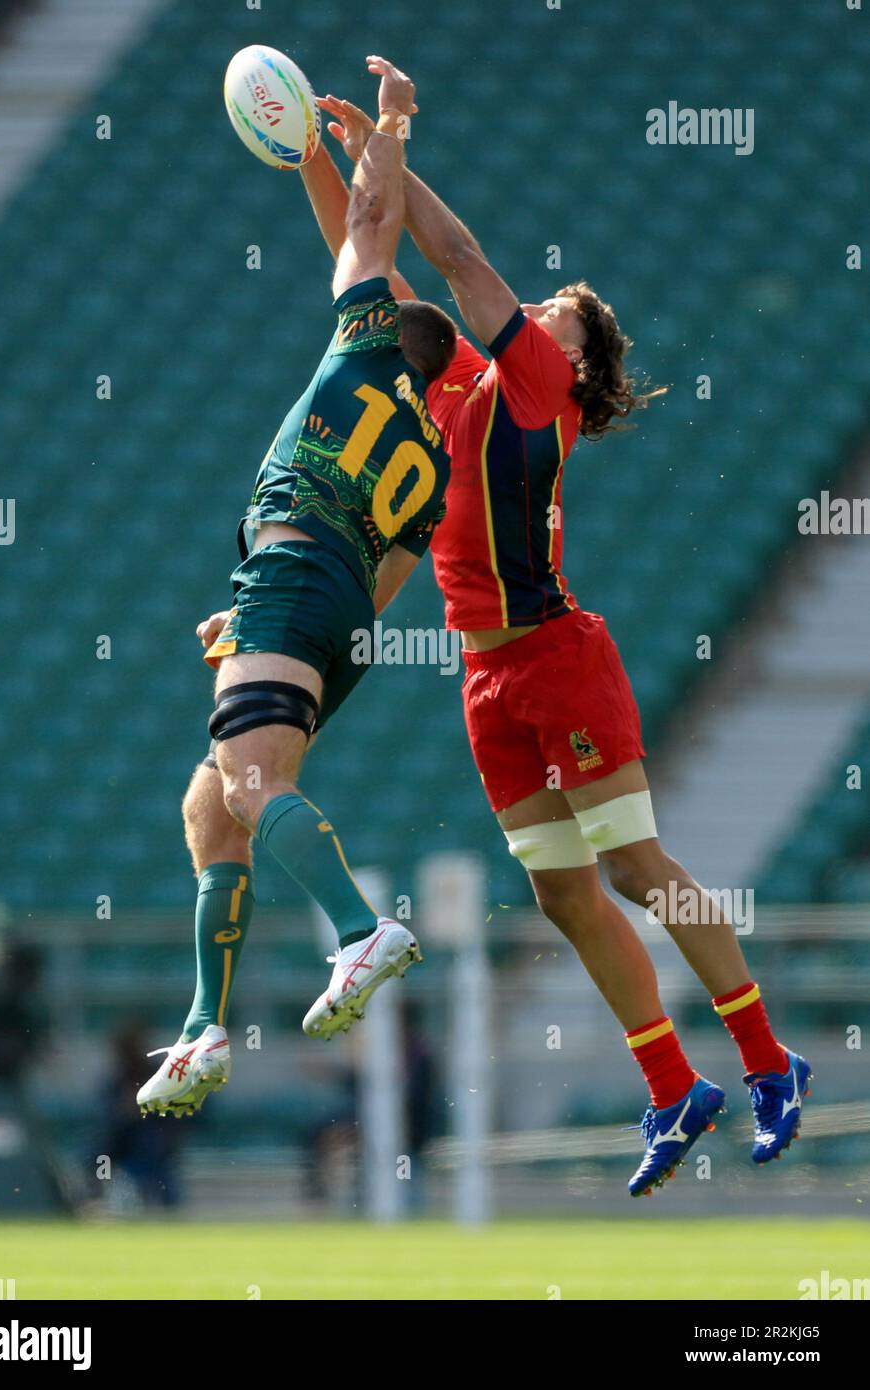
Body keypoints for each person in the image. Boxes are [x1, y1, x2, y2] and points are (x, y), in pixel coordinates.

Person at [289, 89, 810, 1197]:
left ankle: (770, 1063)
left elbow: (459, 250)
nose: (535, 306)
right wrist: (329, 156)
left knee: (633, 867)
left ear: (571, 358)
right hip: (486, 679)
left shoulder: (536, 384)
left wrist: (395, 138)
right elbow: (365, 261)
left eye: (557, 310)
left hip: (558, 657)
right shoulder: (470, 383)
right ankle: (675, 1087)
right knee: (563, 895)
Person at [136, 57, 457, 1118]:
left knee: (247, 788)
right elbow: (392, 580)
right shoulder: (435, 460)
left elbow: (369, 222)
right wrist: (279, 623)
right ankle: (202, 1028)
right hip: (337, 601)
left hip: (295, 566)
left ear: (383, 320)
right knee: (209, 802)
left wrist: (382, 134)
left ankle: (363, 929)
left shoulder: (364, 337)